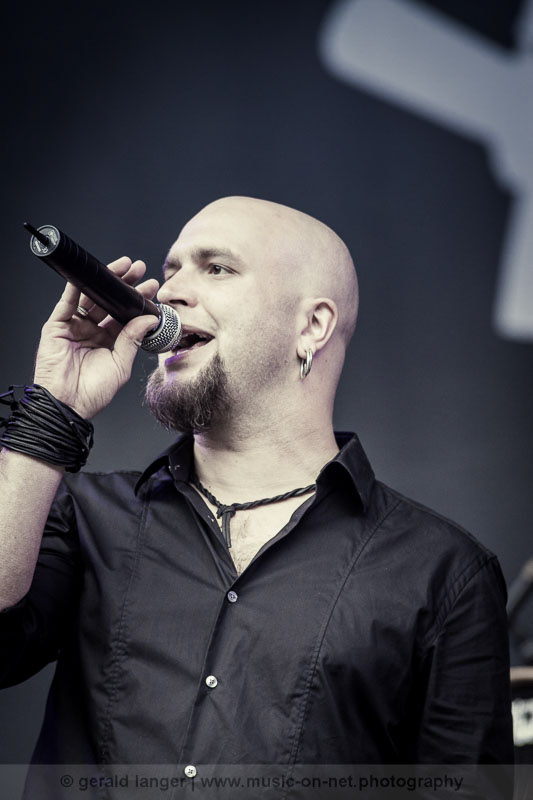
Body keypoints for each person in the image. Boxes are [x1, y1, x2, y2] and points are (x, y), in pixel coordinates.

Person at [0, 197, 513, 798]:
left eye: (217, 268)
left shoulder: (442, 573)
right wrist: (54, 410)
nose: (170, 292)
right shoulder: (86, 516)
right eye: (172, 270)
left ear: (312, 326)